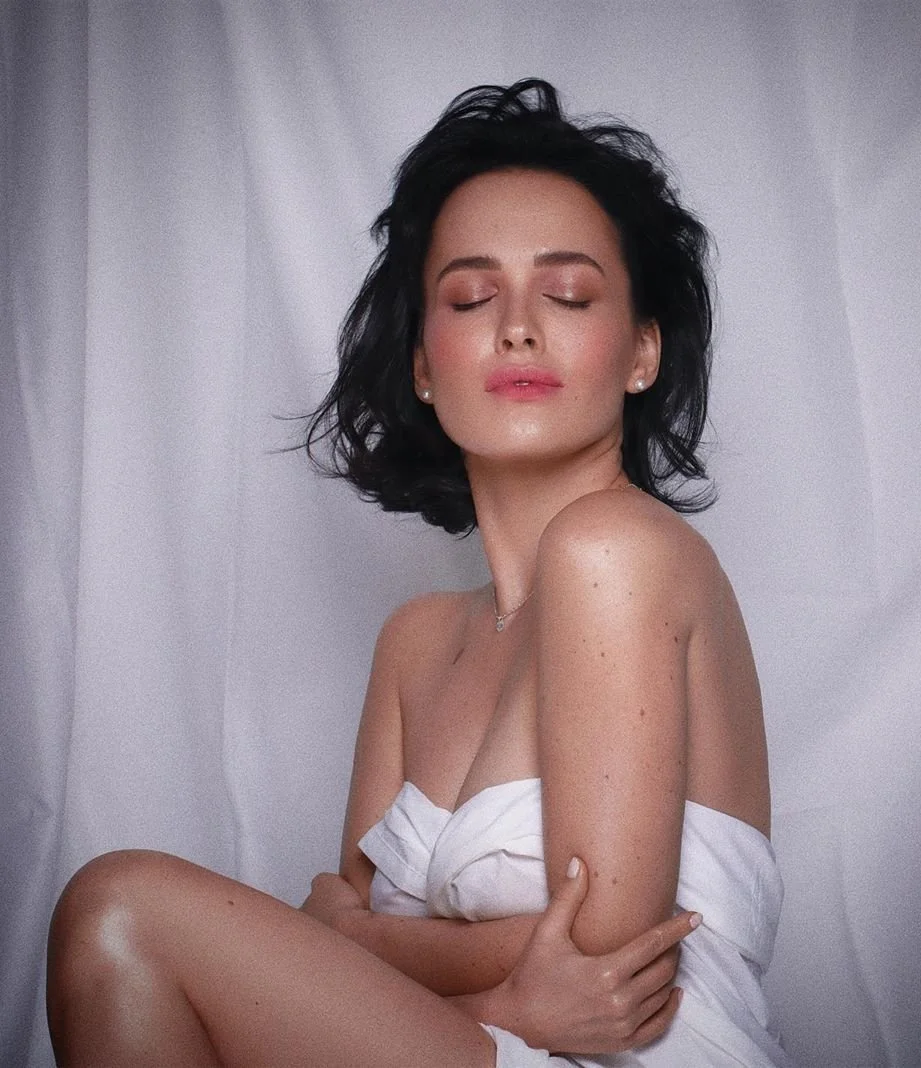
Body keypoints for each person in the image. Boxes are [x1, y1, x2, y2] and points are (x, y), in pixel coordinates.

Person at [46, 79, 792, 1067]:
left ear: (642, 353)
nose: (517, 326)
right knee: (123, 945)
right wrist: (499, 999)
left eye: (569, 295)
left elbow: (610, 960)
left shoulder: (619, 551)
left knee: (120, 910)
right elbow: (346, 987)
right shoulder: (416, 642)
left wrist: (356, 934)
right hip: (495, 1041)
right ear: (424, 368)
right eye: (471, 297)